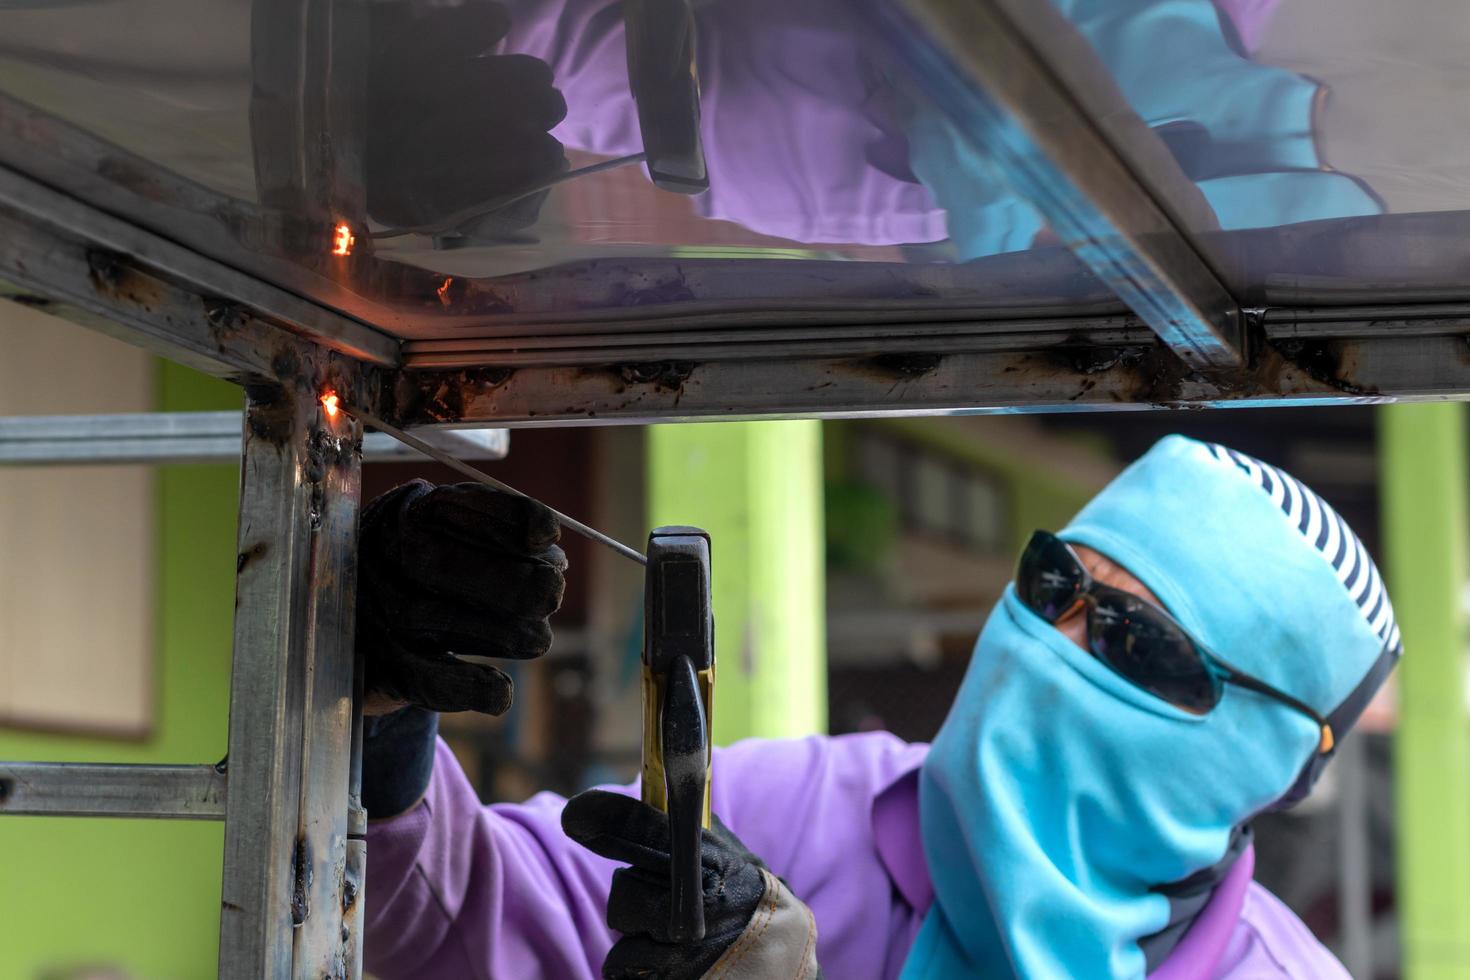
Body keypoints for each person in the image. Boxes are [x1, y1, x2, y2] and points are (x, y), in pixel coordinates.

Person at [357, 434, 1400, 978]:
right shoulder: (803, 810)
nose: (1055, 646)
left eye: (1133, 638)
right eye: (1053, 585)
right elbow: (459, 917)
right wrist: (388, 700)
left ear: (1269, 755)